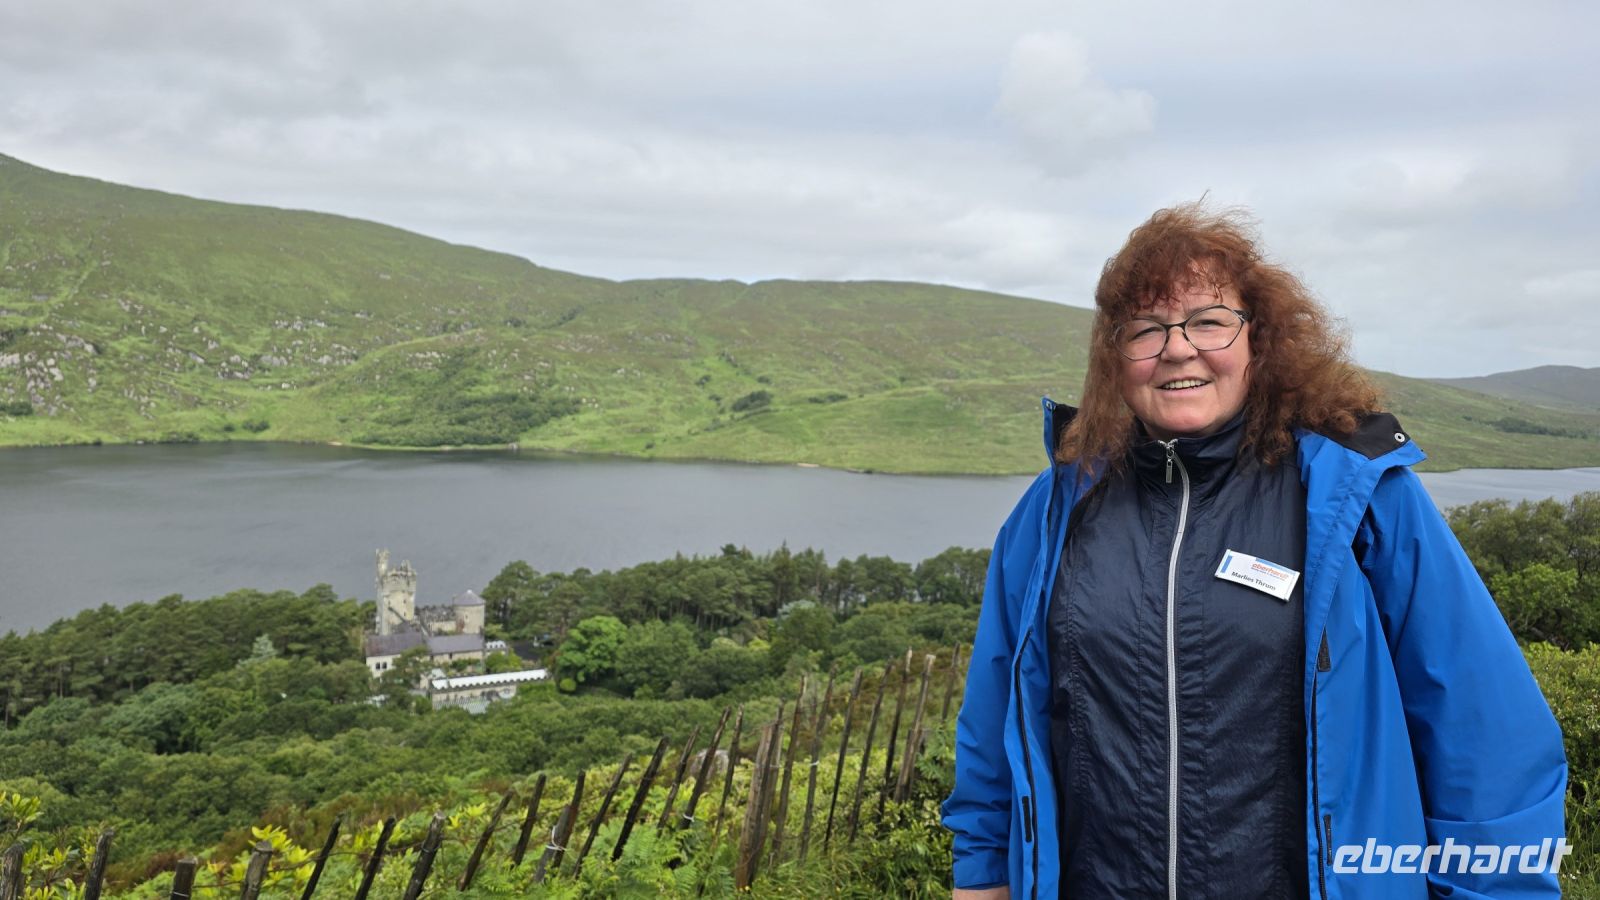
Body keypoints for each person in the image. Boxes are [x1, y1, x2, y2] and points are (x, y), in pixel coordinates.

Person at [942, 203, 1567, 899]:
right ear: (1115, 358)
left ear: (1258, 341)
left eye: (1209, 321)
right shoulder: (1059, 508)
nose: (1178, 349)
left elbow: (1486, 736)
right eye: (1146, 329)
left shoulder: (1353, 497)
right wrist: (983, 876)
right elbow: (994, 721)